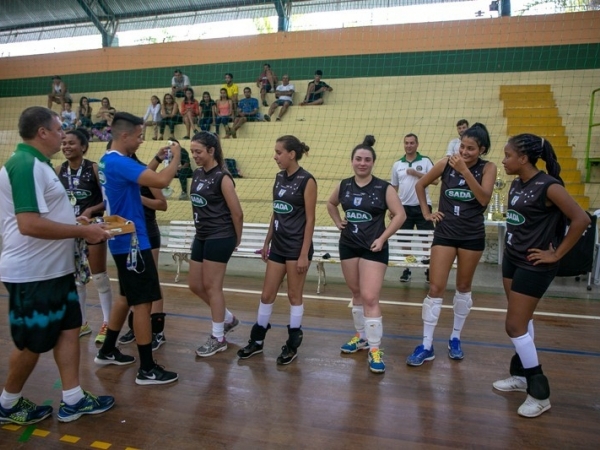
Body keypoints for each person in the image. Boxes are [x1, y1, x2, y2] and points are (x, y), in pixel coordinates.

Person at [0, 106, 114, 425]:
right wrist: (83, 230)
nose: (63, 134)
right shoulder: (24, 165)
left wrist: (72, 220)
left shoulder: (40, 164)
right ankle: (7, 403)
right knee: (31, 343)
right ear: (43, 132)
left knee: (68, 330)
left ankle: (73, 399)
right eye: (59, 128)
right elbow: (28, 224)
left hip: (54, 270)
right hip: (33, 273)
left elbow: (43, 215)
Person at [492, 134, 589, 418]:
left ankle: (539, 391)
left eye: (508, 155)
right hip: (512, 260)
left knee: (513, 326)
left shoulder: (549, 186)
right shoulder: (516, 184)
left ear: (523, 158)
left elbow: (581, 219)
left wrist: (556, 254)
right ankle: (520, 376)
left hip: (535, 265)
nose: (504, 160)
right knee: (523, 320)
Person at [95, 112, 181, 385]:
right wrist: (177, 157)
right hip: (133, 242)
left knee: (125, 298)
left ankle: (108, 349)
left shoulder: (107, 160)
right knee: (142, 304)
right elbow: (161, 182)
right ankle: (147, 369)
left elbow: (141, 173)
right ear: (124, 135)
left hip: (121, 239)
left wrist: (156, 158)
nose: (141, 141)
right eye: (139, 136)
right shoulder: (120, 163)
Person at [406, 123, 497, 366]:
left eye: (470, 148)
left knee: (464, 287)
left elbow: (484, 199)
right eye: (462, 146)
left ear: (482, 149)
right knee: (435, 288)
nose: (464, 152)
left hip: (471, 235)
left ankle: (455, 338)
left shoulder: (488, 168)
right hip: (445, 233)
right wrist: (427, 213)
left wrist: (466, 171)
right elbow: (420, 184)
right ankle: (426, 344)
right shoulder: (446, 163)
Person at [327, 135, 406, 373]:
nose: (362, 163)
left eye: (367, 160)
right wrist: (337, 220)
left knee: (370, 297)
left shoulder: (384, 187)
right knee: (356, 293)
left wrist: (382, 238)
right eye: (358, 159)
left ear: (373, 162)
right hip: (348, 245)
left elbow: (400, 215)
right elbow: (331, 204)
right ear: (352, 161)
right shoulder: (344, 185)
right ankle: (361, 337)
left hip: (373, 248)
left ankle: (374, 348)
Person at [237, 136, 317, 365]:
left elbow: (310, 220)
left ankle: (292, 344)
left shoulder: (307, 180)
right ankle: (257, 341)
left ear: (292, 154)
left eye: (279, 152)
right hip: (279, 246)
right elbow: (276, 212)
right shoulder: (279, 177)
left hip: (297, 247)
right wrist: (266, 242)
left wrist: (303, 254)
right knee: (266, 295)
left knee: (294, 296)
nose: (275, 156)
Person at [187, 131, 244, 358]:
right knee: (194, 284)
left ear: (211, 151)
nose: (194, 156)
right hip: (201, 235)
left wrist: (236, 239)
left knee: (213, 287)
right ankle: (228, 318)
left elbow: (237, 213)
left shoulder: (223, 177)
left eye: (198, 151)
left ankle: (218, 337)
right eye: (192, 152)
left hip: (220, 236)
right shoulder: (197, 173)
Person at [56, 129, 112, 344]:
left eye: (71, 143)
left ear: (83, 146)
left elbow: (107, 201)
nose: (66, 146)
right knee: (77, 280)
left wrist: (89, 211)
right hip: (70, 228)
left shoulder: (94, 169)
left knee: (99, 278)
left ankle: (107, 322)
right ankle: (82, 322)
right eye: (63, 143)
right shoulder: (58, 169)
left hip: (94, 226)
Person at [118, 149, 169, 352]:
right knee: (131, 282)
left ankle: (157, 330)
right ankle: (137, 326)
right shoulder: (121, 176)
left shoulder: (145, 173)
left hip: (148, 232)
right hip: (128, 234)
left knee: (151, 280)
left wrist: (138, 199)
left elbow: (162, 204)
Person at [390, 133, 436, 283]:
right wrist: (391, 208)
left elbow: (435, 180)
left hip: (423, 206)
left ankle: (427, 268)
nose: (409, 145)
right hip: (403, 208)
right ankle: (407, 268)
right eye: (406, 143)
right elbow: (394, 188)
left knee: (427, 238)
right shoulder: (397, 164)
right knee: (404, 239)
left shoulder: (425, 161)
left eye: (412, 143)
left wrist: (417, 173)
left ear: (417, 144)